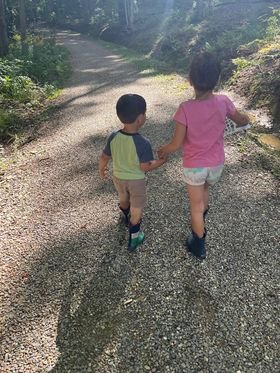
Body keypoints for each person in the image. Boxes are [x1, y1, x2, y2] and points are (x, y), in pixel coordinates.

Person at [158, 52, 249, 259]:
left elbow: (176, 143)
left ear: (190, 80)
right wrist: (246, 119)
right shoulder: (224, 102)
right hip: (216, 164)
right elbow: (240, 119)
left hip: (194, 166)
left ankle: (198, 243)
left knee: (195, 206)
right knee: (206, 187)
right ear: (217, 79)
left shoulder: (185, 109)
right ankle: (203, 211)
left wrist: (163, 149)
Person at [99, 94, 167, 251]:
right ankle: (134, 238)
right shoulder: (143, 142)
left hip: (118, 177)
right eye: (145, 113)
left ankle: (125, 216)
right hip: (136, 182)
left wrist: (102, 169)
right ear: (140, 118)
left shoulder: (113, 136)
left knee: (123, 198)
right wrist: (162, 161)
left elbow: (104, 156)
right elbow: (145, 167)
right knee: (137, 208)